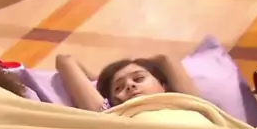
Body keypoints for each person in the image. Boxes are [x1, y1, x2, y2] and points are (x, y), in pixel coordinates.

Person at [55, 53, 201, 112]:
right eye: (119, 88)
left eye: (139, 78)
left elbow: (165, 59)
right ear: (113, 103)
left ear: (163, 86)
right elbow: (64, 60)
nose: (130, 86)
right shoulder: (111, 116)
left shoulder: (190, 104)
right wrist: (95, 80)